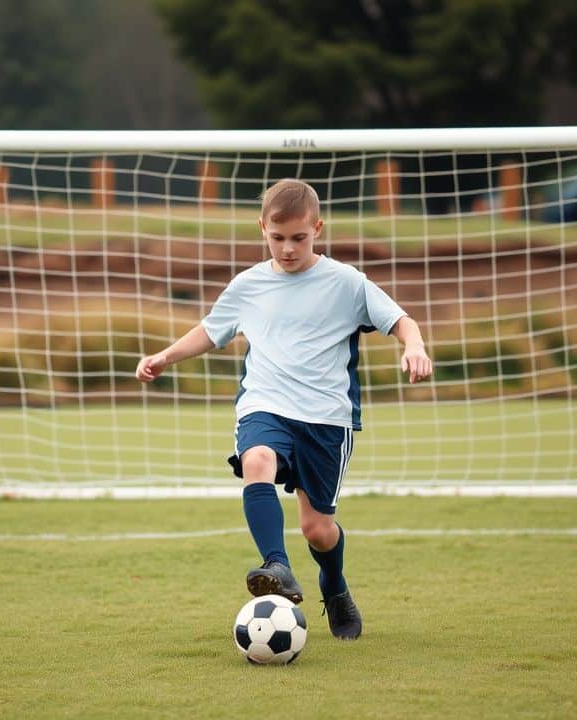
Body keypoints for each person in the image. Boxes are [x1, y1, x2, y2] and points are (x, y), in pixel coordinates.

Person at [135, 178, 431, 640]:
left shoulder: (346, 282)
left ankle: (333, 585)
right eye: (277, 238)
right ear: (262, 229)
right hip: (265, 404)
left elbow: (400, 319)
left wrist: (414, 345)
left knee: (318, 529)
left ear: (317, 228)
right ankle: (277, 564)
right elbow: (211, 331)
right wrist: (163, 357)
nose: (288, 248)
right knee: (256, 460)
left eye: (299, 238)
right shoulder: (248, 285)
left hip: (327, 418)